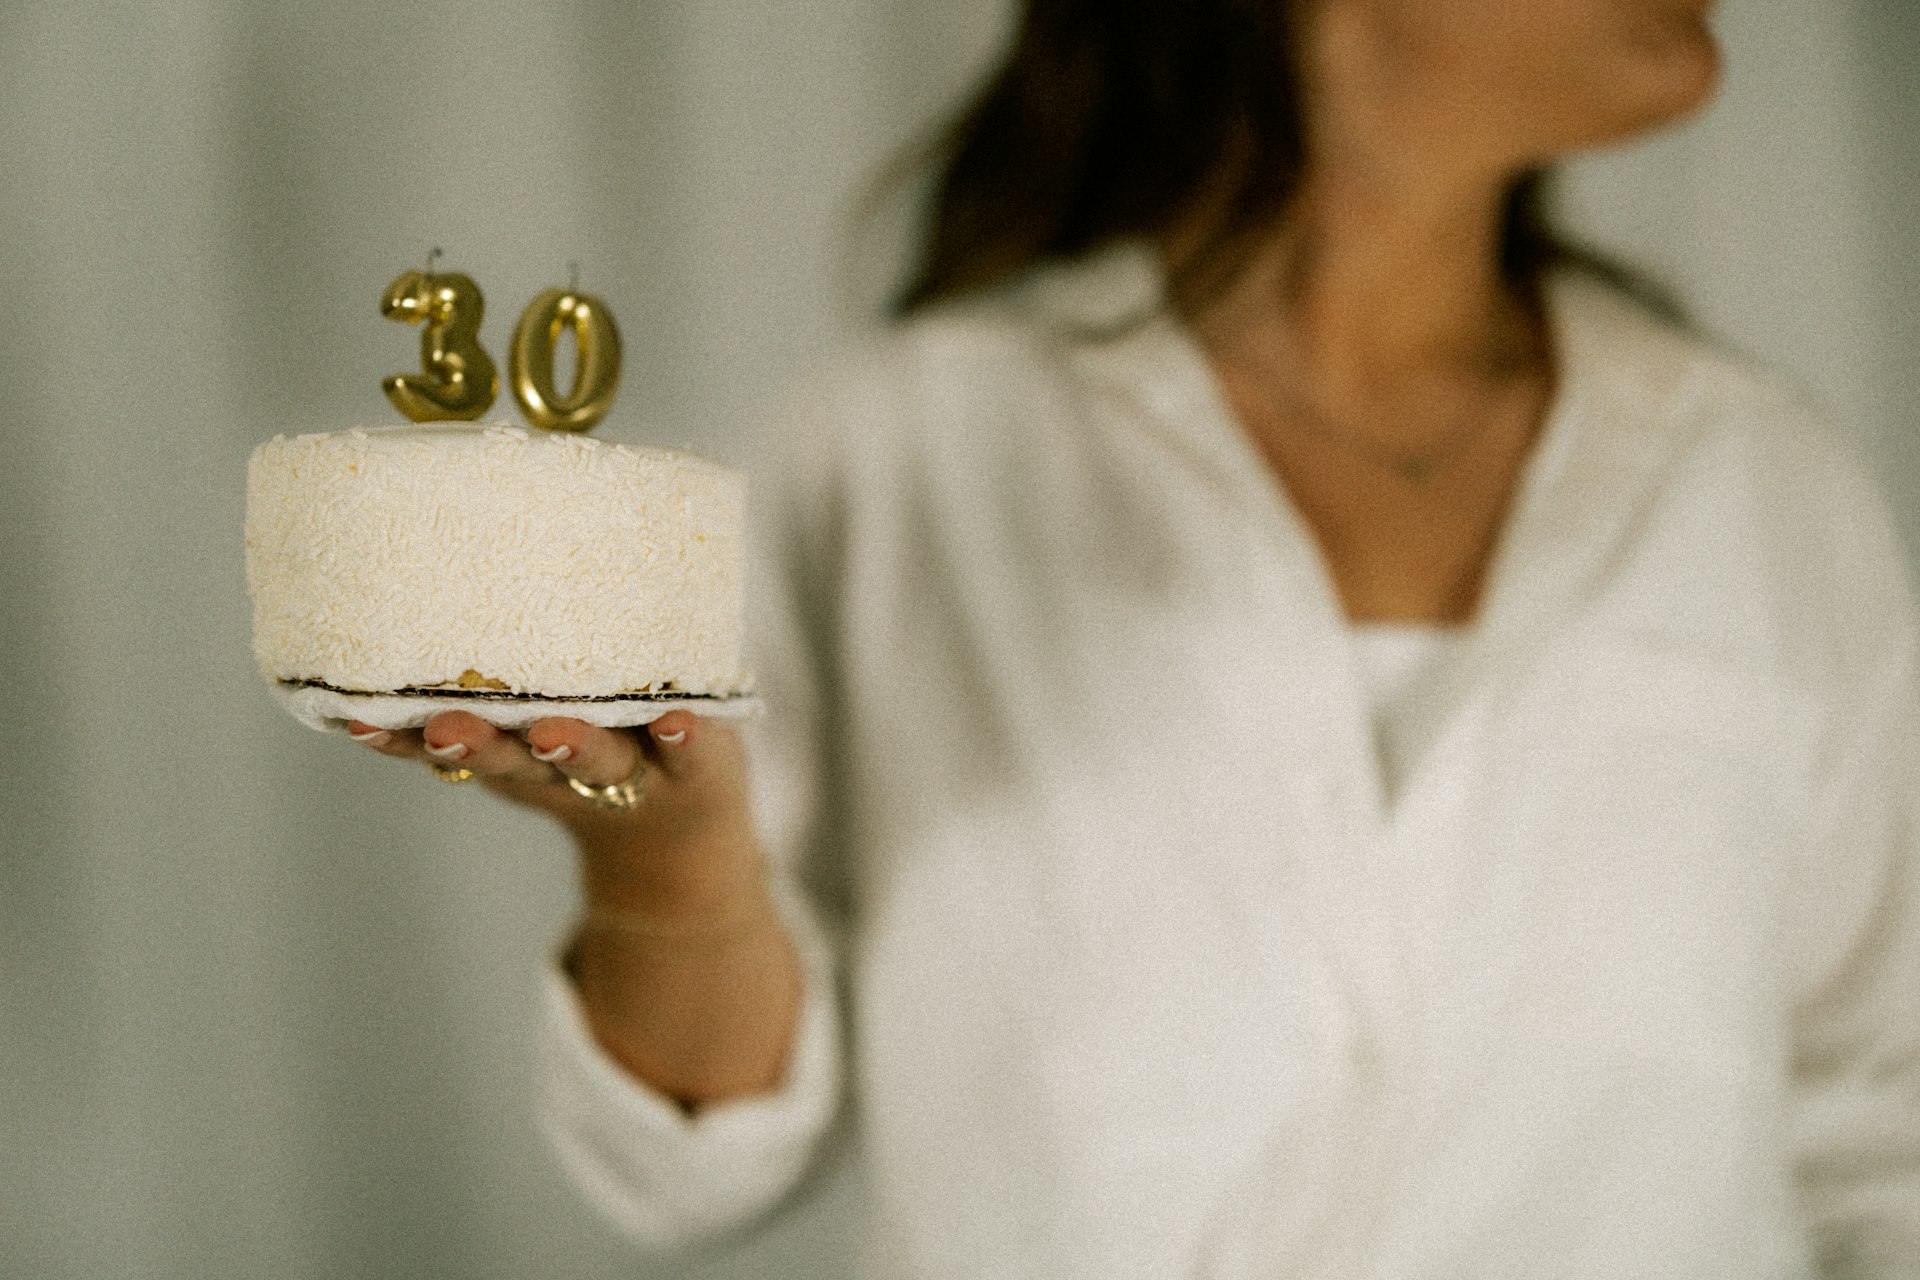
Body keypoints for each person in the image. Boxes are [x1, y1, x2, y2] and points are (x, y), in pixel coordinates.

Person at [349, 0, 1920, 1274]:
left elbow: (1885, 1139)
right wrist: (670, 870)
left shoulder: (1765, 492)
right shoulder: (898, 458)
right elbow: (696, 1175)